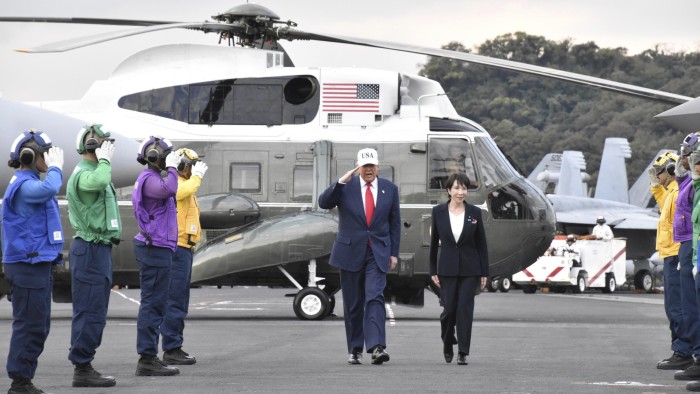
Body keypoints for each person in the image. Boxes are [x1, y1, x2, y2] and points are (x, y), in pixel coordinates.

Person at [318, 148, 401, 365]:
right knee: (353, 303)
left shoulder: (389, 189)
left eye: (372, 165)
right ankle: (355, 349)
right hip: (349, 252)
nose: (369, 170)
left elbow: (394, 224)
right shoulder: (345, 189)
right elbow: (323, 202)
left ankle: (376, 347)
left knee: (375, 296)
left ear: (378, 167)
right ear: (358, 167)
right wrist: (341, 181)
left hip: (378, 252)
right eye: (364, 166)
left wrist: (394, 253)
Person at [2, 130, 64, 394]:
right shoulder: (25, 185)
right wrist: (56, 169)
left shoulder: (29, 182)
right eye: (45, 154)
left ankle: (23, 378)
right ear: (29, 156)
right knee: (30, 324)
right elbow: (51, 187)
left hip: (36, 263)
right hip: (27, 266)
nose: (49, 159)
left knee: (38, 324)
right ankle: (20, 382)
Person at [66, 124, 120, 387]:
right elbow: (99, 181)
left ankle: (84, 364)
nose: (108, 147)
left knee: (95, 309)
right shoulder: (86, 173)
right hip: (89, 249)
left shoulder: (94, 170)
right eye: (103, 143)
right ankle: (82, 367)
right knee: (90, 310)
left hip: (98, 248)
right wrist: (105, 160)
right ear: (90, 146)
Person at [132, 135, 183, 376]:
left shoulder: (153, 178)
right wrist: (172, 167)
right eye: (166, 155)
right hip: (154, 248)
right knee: (152, 304)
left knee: (157, 303)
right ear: (155, 157)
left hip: (160, 247)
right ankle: (146, 359)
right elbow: (171, 188)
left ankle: (150, 355)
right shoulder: (150, 179)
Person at [429, 173, 488, 366]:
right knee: (449, 311)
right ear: (448, 190)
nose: (460, 192)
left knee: (464, 310)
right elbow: (433, 244)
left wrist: (484, 272)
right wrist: (432, 271)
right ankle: (447, 340)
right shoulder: (438, 212)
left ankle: (463, 351)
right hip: (446, 269)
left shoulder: (474, 213)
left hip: (470, 269)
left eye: (464, 188)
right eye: (456, 188)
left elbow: (481, 245)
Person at [648, 152, 695, 371]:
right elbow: (663, 206)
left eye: (659, 173)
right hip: (670, 252)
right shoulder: (671, 191)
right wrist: (657, 188)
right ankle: (682, 349)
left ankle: (684, 351)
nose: (657, 177)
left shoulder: (680, 190)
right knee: (672, 307)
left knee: (678, 307)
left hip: (676, 252)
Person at [161, 148, 208, 366]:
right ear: (181, 165)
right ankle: (171, 348)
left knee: (181, 300)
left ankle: (175, 346)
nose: (194, 169)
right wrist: (197, 176)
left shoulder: (186, 184)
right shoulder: (175, 183)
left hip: (185, 248)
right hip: (176, 248)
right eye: (191, 165)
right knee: (175, 300)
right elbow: (180, 192)